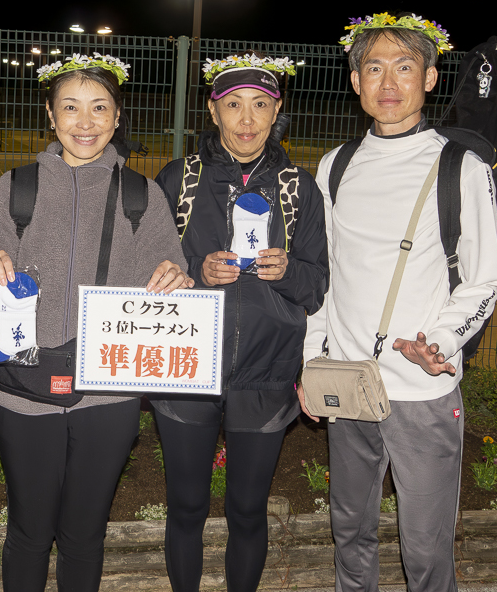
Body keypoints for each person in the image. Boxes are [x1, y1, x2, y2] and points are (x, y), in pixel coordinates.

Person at [0, 53, 192, 592]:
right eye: (70, 107)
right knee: (28, 533)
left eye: (99, 108)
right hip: (22, 387)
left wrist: (175, 280)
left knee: (85, 536)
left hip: (108, 393)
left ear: (117, 116)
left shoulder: (143, 196)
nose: (85, 122)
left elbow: (170, 277)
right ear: (50, 114)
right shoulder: (16, 188)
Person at [300, 13, 497, 592]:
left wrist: (439, 342)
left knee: (426, 545)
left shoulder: (460, 166)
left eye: (405, 67)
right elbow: (324, 276)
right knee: (350, 530)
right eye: (374, 68)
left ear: (430, 79)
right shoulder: (336, 166)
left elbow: (484, 280)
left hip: (422, 389)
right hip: (347, 382)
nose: (388, 83)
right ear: (355, 81)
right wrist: (311, 360)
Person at [152, 52, 329, 592]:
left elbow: (317, 285)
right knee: (186, 506)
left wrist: (287, 271)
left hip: (266, 374)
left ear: (277, 111)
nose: (247, 119)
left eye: (259, 105)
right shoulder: (179, 179)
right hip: (185, 369)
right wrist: (195, 270)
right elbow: (147, 271)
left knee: (248, 510)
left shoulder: (299, 187)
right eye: (233, 105)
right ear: (213, 111)